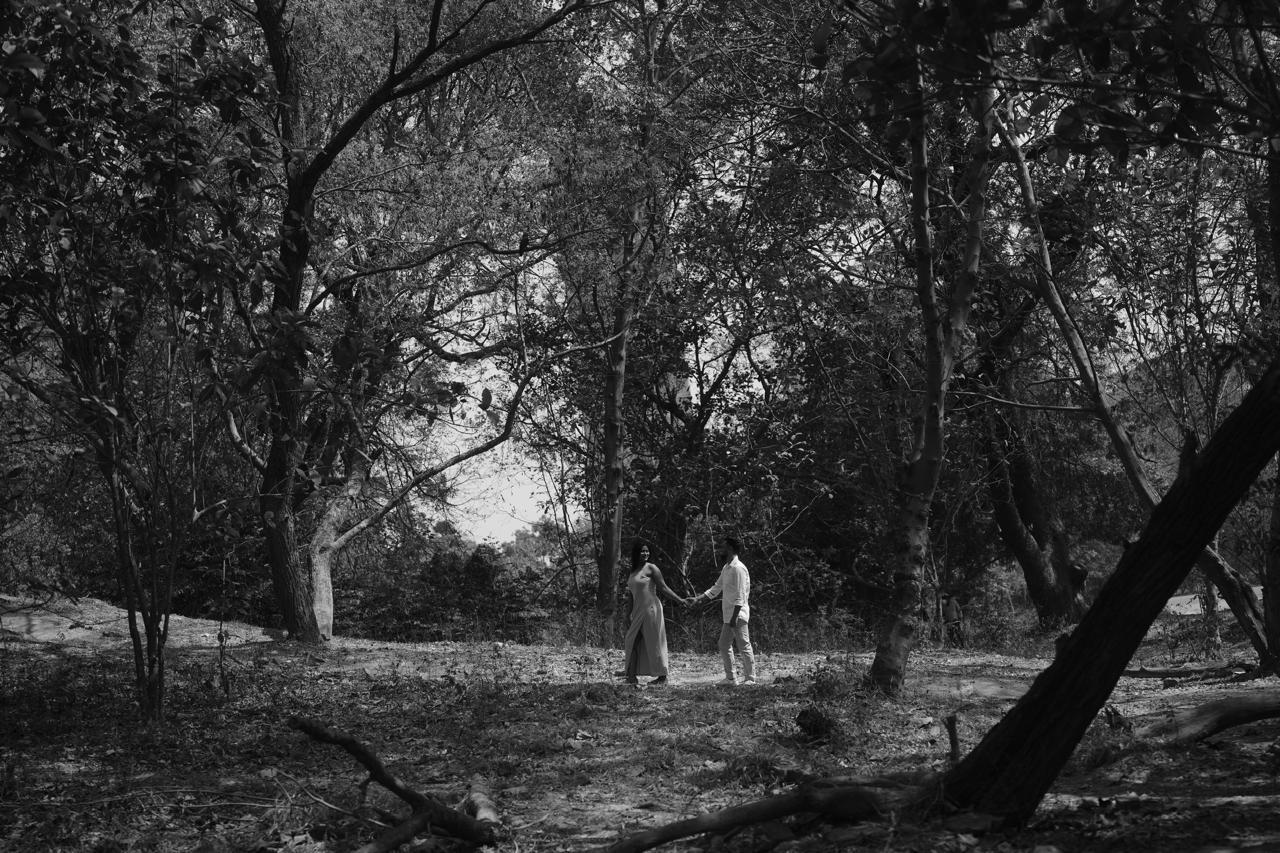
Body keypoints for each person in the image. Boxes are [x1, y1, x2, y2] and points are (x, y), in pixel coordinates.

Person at [688, 537, 756, 686]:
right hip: (729, 614)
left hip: (738, 614)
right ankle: (731, 678)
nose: (721, 549)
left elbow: (740, 595)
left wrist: (734, 617)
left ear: (730, 549)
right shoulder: (727, 567)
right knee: (724, 644)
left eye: (724, 547)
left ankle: (750, 678)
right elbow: (716, 587)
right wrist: (698, 598)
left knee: (744, 644)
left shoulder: (738, 568)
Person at [622, 539, 684, 685]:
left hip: (651, 609)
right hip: (638, 611)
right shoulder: (633, 571)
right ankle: (631, 677)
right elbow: (631, 595)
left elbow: (663, 588)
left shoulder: (652, 568)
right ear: (636, 553)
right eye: (642, 551)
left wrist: (680, 600)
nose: (645, 553)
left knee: (654, 641)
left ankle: (661, 677)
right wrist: (627, 614)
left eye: (647, 551)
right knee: (631, 640)